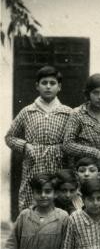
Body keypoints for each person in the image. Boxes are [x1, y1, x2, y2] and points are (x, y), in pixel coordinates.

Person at [5, 66, 73, 211]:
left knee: (58, 204)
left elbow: (74, 141)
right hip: (34, 164)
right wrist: (25, 146)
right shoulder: (27, 111)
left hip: (58, 164)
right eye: (44, 82)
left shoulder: (68, 113)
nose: (48, 86)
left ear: (59, 87)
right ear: (37, 86)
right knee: (32, 201)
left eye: (52, 83)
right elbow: (9, 137)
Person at [63, 73, 100, 181]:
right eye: (96, 93)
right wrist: (94, 153)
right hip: (85, 170)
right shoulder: (78, 114)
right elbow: (67, 144)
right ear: (88, 93)